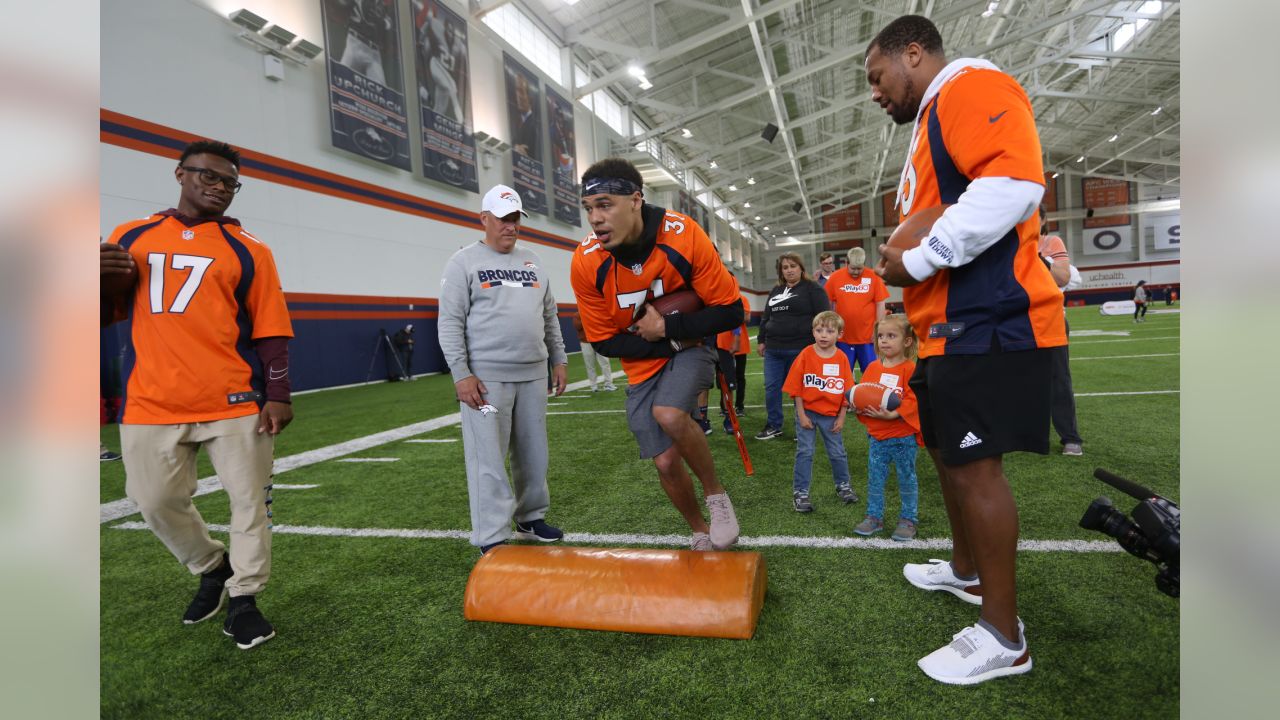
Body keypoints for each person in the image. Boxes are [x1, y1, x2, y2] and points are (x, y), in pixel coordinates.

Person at [866, 15, 1066, 684]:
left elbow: (1014, 183)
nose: (874, 92)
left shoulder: (969, 85)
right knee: (946, 451)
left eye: (877, 76)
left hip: (992, 318)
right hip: (951, 325)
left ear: (913, 53)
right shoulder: (932, 121)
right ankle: (966, 572)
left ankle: (1005, 636)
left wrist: (919, 259)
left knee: (977, 469)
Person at [99, 139, 294, 650]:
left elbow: (271, 328)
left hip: (234, 400)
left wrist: (278, 391)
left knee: (249, 505)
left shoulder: (250, 248)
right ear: (180, 174)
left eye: (229, 182)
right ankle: (212, 565)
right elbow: (102, 316)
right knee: (151, 499)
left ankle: (245, 599)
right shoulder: (132, 236)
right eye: (209, 176)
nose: (219, 187)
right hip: (150, 400)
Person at [570, 158, 744, 551]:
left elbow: (732, 311)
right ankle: (699, 530)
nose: (595, 219)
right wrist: (665, 340)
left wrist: (671, 329)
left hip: (692, 349)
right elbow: (604, 342)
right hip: (644, 361)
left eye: (604, 204)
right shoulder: (586, 260)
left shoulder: (682, 236)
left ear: (635, 200)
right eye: (588, 209)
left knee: (669, 413)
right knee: (665, 462)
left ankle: (716, 496)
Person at [438, 185, 568, 554]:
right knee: (489, 459)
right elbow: (449, 323)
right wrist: (461, 373)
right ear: (484, 219)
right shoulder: (462, 262)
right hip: (486, 381)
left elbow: (549, 315)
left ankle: (530, 518)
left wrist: (558, 358)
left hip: (532, 375)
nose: (510, 226)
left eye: (515, 219)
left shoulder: (534, 260)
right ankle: (491, 535)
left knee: (533, 452)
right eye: (503, 219)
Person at [852, 314, 922, 541]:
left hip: (903, 437)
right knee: (875, 478)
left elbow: (914, 399)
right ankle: (874, 517)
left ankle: (908, 519)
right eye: (880, 336)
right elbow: (865, 393)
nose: (884, 340)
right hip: (877, 437)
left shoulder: (910, 369)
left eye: (891, 336)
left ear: (907, 341)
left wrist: (894, 413)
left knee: (906, 477)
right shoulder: (872, 367)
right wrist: (858, 406)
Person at [782, 311, 857, 513]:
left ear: (839, 335)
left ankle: (844, 486)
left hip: (831, 415)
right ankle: (801, 493)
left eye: (830, 331)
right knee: (805, 452)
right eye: (819, 330)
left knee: (837, 453)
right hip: (807, 412)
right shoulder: (806, 354)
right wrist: (801, 414)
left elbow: (847, 391)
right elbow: (796, 387)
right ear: (813, 332)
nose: (824, 335)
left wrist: (841, 417)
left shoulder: (841, 358)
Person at [755, 252, 830, 440]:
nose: (789, 270)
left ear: (801, 268)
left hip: (801, 348)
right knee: (772, 388)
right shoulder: (776, 290)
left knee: (801, 389)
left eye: (793, 266)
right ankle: (774, 425)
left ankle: (803, 425)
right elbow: (766, 317)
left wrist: (821, 342)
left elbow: (823, 317)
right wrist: (762, 340)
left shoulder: (812, 289)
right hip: (773, 349)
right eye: (785, 267)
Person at [1039, 218, 1084, 456]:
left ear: (1042, 220)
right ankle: (1029, 436)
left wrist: (1040, 261)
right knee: (1016, 379)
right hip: (1017, 321)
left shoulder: (1052, 243)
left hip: (1051, 320)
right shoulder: (1009, 242)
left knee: (1059, 379)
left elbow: (1064, 278)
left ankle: (1070, 437)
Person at [825, 246, 889, 377]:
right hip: (843, 338)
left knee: (872, 375)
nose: (856, 272)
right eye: (853, 268)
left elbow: (880, 304)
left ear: (864, 265)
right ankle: (845, 398)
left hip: (867, 339)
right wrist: (829, 328)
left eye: (859, 269)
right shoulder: (835, 278)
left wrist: (878, 329)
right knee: (843, 375)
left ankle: (871, 398)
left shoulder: (874, 277)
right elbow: (827, 304)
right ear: (846, 263)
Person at [715, 291, 752, 434]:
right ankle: (724, 409)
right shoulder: (717, 299)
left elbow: (747, 317)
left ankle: (739, 406)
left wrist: (730, 315)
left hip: (740, 344)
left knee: (739, 376)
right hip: (722, 344)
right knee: (723, 377)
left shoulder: (742, 298)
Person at [572, 312, 616, 392]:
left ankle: (608, 384)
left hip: (599, 340)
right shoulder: (577, 315)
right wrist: (587, 318)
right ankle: (593, 386)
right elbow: (577, 327)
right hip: (586, 343)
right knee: (590, 365)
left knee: (605, 363)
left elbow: (602, 324)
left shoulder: (594, 311)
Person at [510, 72, 540, 159]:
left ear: (530, 98)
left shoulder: (535, 125)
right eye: (517, 90)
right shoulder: (514, 120)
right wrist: (515, 147)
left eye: (522, 91)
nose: (518, 96)